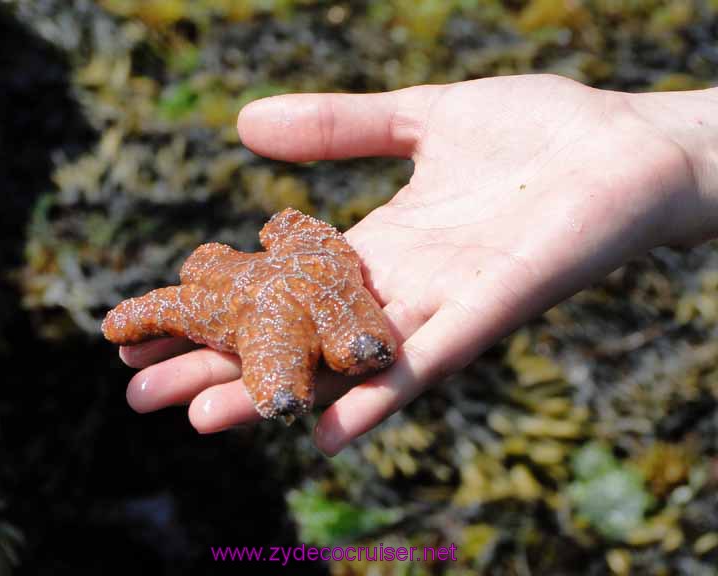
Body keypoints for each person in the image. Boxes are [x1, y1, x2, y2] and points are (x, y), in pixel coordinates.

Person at [116, 74, 718, 456]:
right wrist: (677, 149)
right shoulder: (308, 254)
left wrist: (675, 151)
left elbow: (284, 269)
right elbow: (285, 253)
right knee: (351, 345)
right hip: (277, 285)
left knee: (349, 348)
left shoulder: (303, 257)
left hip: (275, 288)